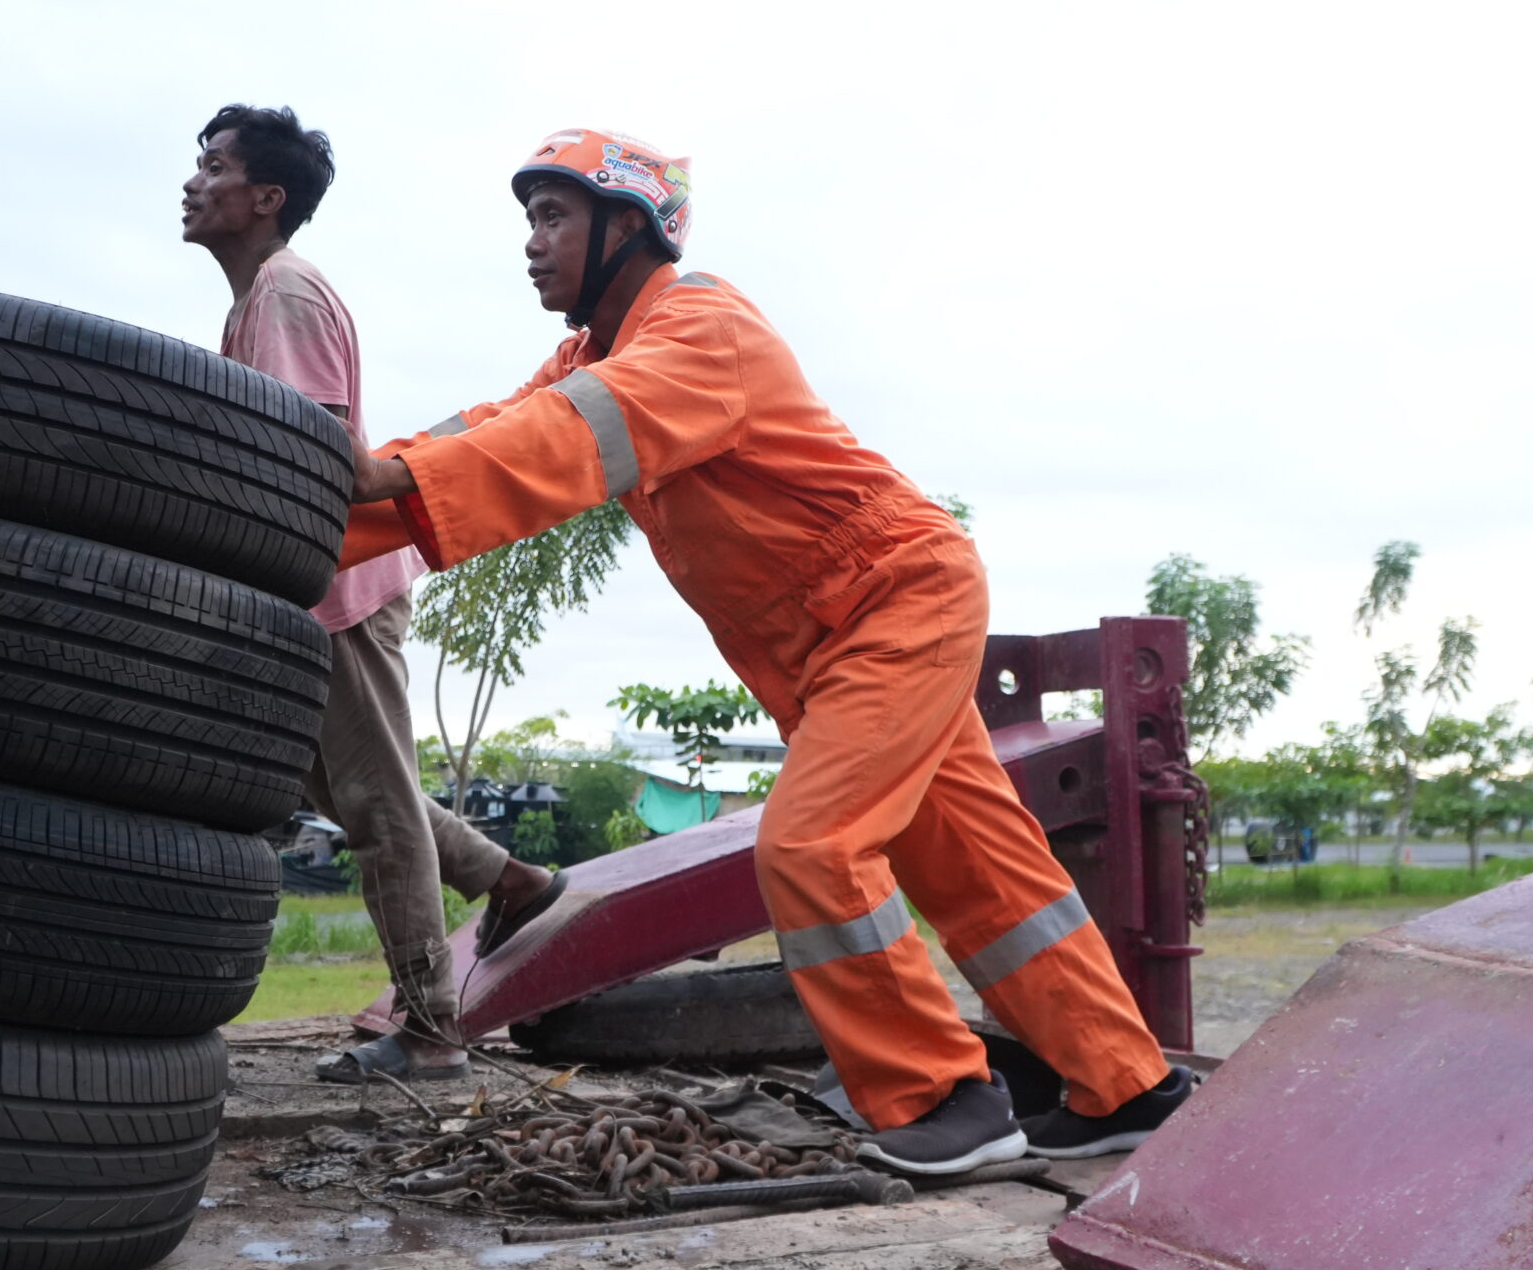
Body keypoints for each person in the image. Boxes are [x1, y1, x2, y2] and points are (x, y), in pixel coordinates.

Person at [335, 129, 1198, 1170]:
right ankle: (1127, 1085)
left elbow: (555, 436)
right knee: (981, 865)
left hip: (895, 598)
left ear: (628, 224)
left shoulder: (701, 328)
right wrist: (317, 515)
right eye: (528, 219)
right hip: (838, 632)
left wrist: (387, 478)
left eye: (553, 215)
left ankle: (942, 1096)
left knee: (812, 847)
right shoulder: (591, 360)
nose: (531, 241)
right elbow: (490, 428)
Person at [180, 105, 566, 1083]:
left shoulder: (286, 292)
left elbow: (304, 455)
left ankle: (432, 1029)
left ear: (265, 198)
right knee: (352, 787)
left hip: (335, 586)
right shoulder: (258, 299)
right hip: (317, 588)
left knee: (373, 803)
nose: (193, 181)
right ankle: (512, 879)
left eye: (215, 166)